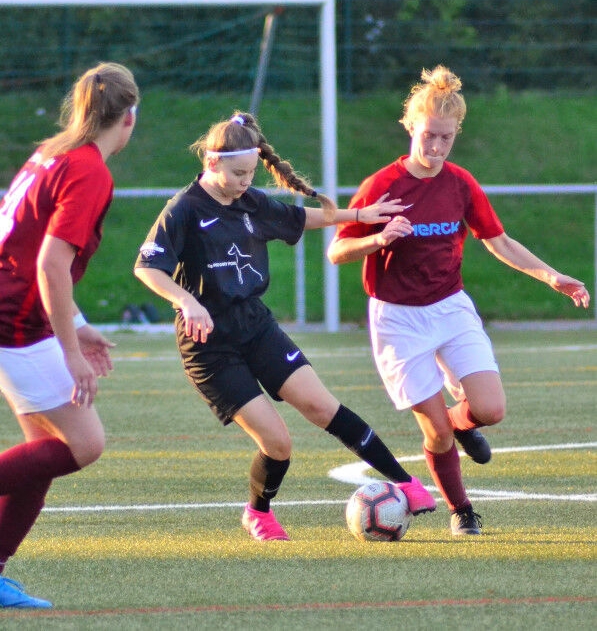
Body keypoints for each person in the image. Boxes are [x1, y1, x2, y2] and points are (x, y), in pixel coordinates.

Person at [134, 111, 436, 542]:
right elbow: (147, 267)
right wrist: (186, 301)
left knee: (321, 406)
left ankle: (406, 482)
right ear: (211, 162)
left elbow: (299, 218)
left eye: (251, 173)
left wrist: (361, 214)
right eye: (238, 174)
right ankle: (257, 512)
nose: (245, 182)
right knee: (278, 443)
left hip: (255, 326)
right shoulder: (183, 209)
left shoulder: (250, 202)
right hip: (209, 346)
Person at [327, 65, 590, 536]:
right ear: (409, 126)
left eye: (446, 138)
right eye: (428, 135)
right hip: (397, 320)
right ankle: (462, 510)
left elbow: (499, 240)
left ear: (456, 135)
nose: (436, 147)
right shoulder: (382, 186)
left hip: (450, 308)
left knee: (490, 410)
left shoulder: (460, 184)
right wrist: (378, 239)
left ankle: (461, 426)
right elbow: (337, 251)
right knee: (435, 433)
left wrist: (552, 277)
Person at [0, 62, 139, 608]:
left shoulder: (52, 152)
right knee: (82, 445)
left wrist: (78, 326)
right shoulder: (87, 169)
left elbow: (26, 247)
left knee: (42, 452)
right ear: (129, 117)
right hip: (14, 321)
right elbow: (49, 264)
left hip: (15, 313)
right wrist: (69, 349)